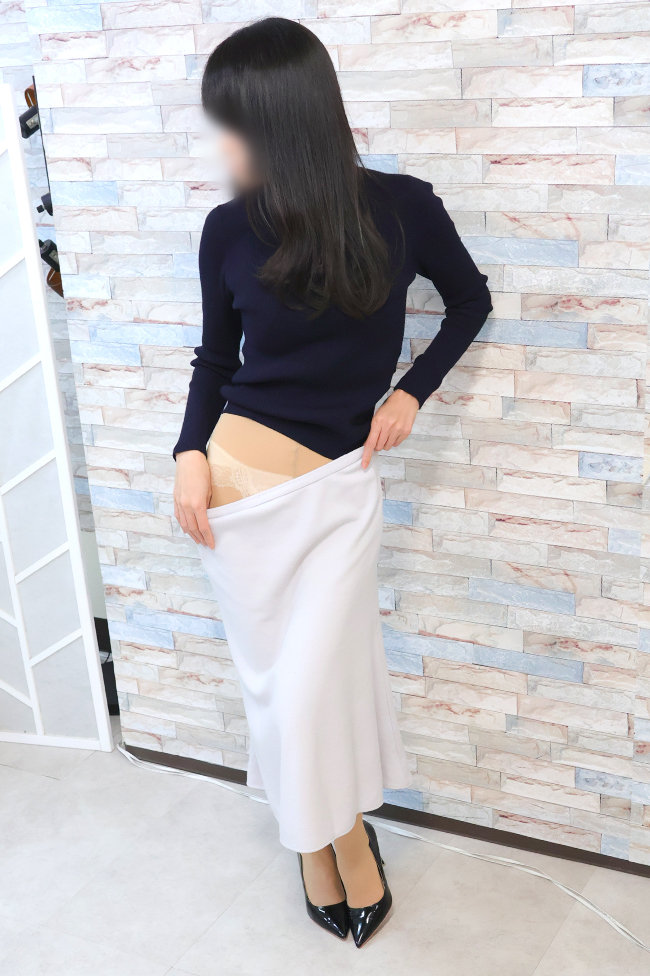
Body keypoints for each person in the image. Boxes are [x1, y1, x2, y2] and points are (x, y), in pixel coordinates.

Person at [173, 17, 492, 948]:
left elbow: (470, 301)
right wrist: (188, 453)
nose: (222, 140)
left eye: (231, 120)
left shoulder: (402, 207)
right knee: (278, 690)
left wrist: (413, 391)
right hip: (238, 491)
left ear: (280, 116)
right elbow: (215, 361)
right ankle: (328, 842)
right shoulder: (227, 229)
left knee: (317, 685)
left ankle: (333, 835)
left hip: (340, 489)